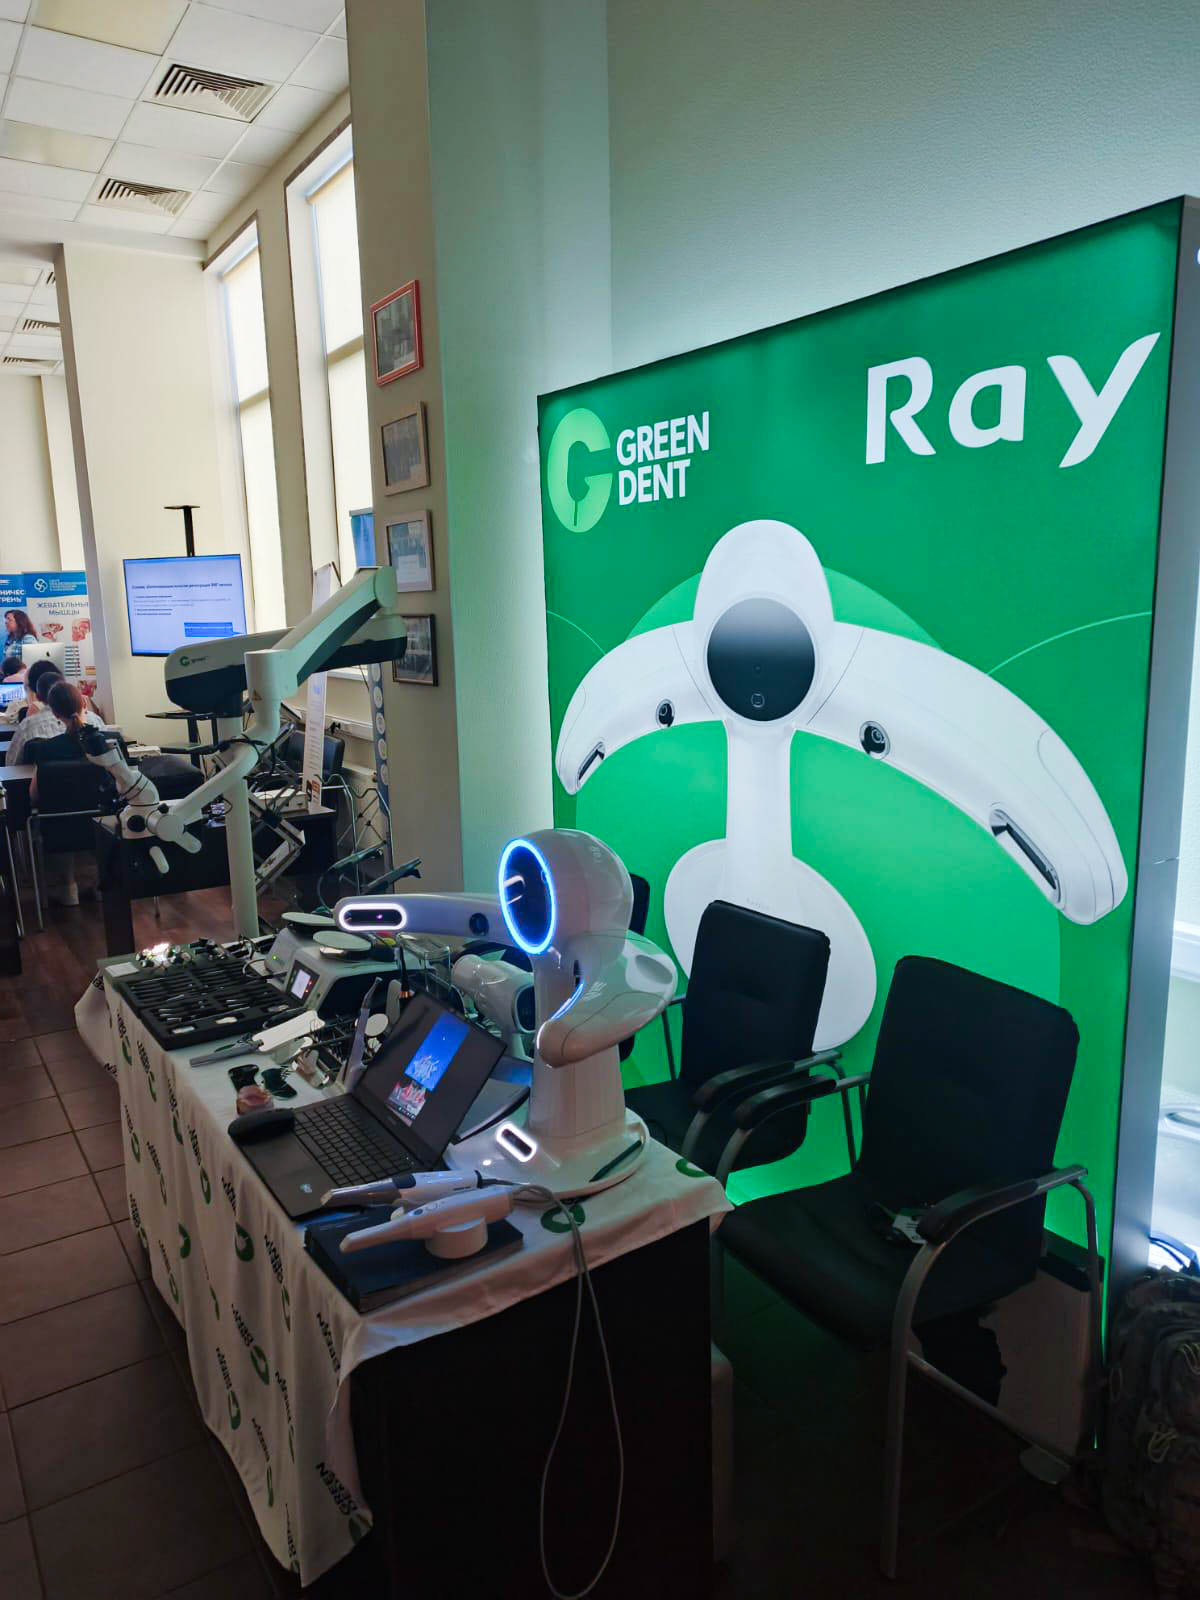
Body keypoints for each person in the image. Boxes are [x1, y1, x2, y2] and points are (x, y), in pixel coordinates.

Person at [27, 678, 106, 907]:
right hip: (102, 823)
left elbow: (34, 795)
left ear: (54, 713)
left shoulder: (45, 749)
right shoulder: (105, 743)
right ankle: (102, 883)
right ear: (84, 704)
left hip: (58, 827)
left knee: (58, 817)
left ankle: (68, 886)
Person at [5, 664, 101, 765]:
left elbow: (11, 764)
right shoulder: (96, 722)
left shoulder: (27, 726)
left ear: (38, 697)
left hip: (43, 775)